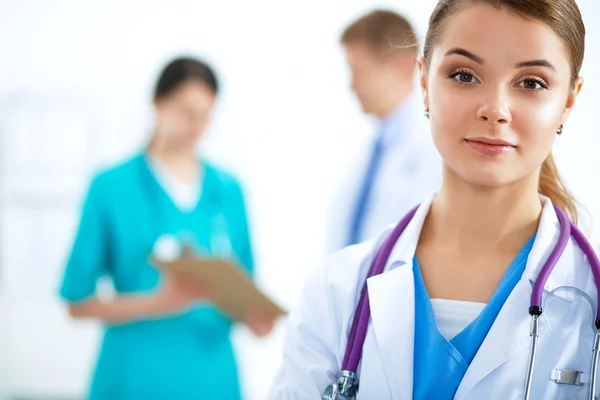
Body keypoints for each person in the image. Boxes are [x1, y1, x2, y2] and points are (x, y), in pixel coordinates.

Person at [268, 0, 599, 398]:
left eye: (531, 83)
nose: (495, 110)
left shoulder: (589, 300)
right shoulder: (336, 292)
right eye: (464, 75)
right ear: (423, 82)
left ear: (568, 101)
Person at [60, 57, 262, 399]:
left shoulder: (228, 190)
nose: (196, 125)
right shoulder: (111, 187)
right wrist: (157, 303)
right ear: (157, 104)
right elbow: (77, 303)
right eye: (186, 111)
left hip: (212, 380)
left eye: (206, 114)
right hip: (134, 378)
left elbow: (246, 288)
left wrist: (256, 317)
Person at [328, 10, 441, 252]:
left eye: (359, 72)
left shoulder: (435, 146)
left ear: (403, 66)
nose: (352, 86)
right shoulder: (373, 151)